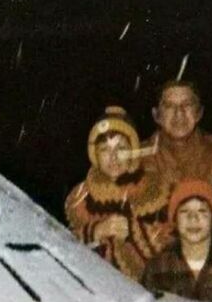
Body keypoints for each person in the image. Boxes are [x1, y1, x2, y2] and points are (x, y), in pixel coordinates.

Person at [65, 106, 171, 281]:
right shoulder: (80, 197)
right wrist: (95, 232)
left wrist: (132, 232)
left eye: (121, 148)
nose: (113, 157)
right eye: (105, 149)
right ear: (95, 155)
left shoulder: (154, 190)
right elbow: (62, 244)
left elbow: (169, 243)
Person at [141, 80, 212, 190]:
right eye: (169, 106)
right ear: (156, 115)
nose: (179, 113)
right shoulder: (138, 160)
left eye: (187, 105)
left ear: (199, 113)